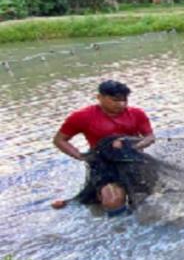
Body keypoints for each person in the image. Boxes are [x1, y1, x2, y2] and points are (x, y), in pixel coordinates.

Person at [52, 80, 155, 214]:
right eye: (115, 100)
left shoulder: (137, 113)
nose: (121, 104)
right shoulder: (82, 116)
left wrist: (131, 146)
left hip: (133, 160)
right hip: (103, 164)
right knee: (112, 201)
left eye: (124, 100)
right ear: (99, 97)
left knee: (145, 198)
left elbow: (149, 137)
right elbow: (59, 140)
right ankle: (119, 229)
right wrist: (80, 156)